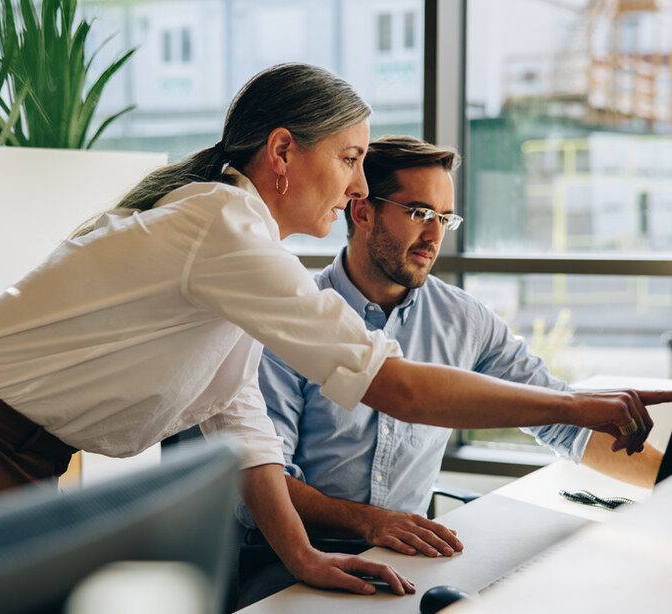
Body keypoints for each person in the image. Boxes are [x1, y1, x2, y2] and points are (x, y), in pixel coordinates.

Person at [0, 64, 666, 598]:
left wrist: (304, 557)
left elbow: (238, 421)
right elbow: (394, 386)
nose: (359, 184)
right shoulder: (222, 228)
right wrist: (581, 407)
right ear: (283, 152)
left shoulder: (241, 248)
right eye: (351, 159)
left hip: (7, 448)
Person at [234, 135, 665, 603]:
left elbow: (562, 422)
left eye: (445, 218)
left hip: (408, 555)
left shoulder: (463, 319)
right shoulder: (293, 316)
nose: (435, 235)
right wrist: (371, 521)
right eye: (420, 213)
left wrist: (664, 485)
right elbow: (264, 478)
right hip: (292, 555)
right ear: (362, 212)